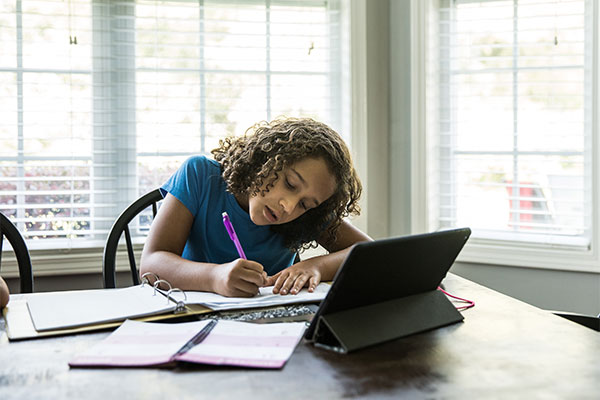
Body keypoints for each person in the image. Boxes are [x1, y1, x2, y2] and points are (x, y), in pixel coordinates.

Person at [140, 117, 371, 297]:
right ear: (267, 159)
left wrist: (317, 266)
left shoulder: (307, 216)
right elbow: (151, 264)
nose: (289, 207)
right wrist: (215, 277)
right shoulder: (200, 176)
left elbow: (370, 254)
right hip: (193, 321)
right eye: (290, 184)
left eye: (304, 204)